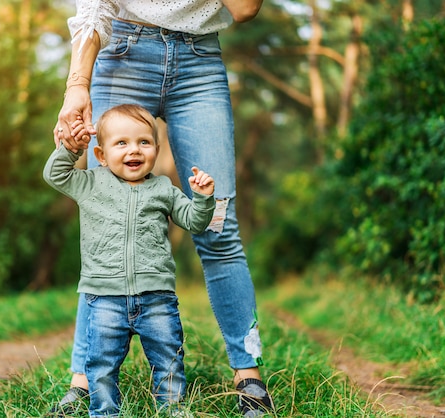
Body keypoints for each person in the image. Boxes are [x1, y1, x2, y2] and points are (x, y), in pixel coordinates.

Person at [50, 1, 274, 417]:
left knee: (220, 228)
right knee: (107, 222)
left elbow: (244, 9)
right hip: (121, 51)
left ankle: (249, 379)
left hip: (199, 60)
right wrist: (77, 84)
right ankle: (81, 383)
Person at [44, 104, 216, 417]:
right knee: (100, 366)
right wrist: (70, 148)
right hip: (104, 299)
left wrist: (203, 198)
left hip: (157, 299)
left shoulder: (164, 188)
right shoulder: (90, 183)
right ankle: (105, 412)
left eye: (143, 142)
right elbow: (54, 174)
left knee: (169, 361)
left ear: (156, 149)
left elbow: (195, 221)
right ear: (101, 154)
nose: (133, 150)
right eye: (121, 143)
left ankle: (172, 410)